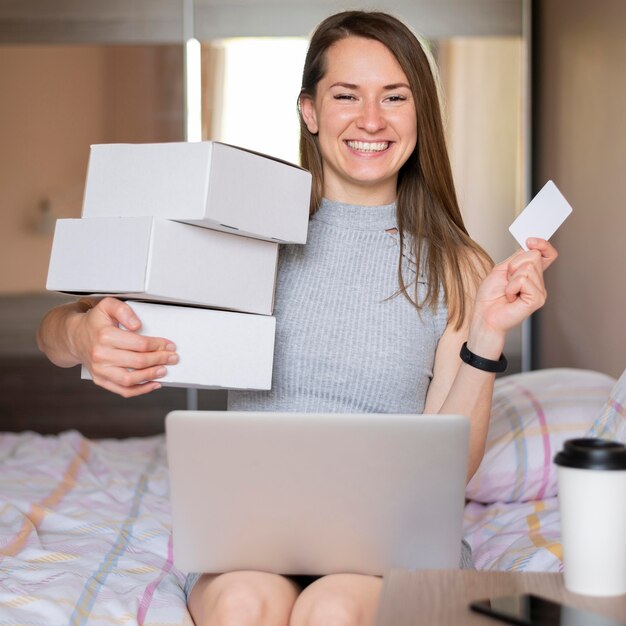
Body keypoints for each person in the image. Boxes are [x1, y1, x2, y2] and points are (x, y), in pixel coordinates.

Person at [37, 10, 557, 626]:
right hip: (255, 536)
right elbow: (56, 334)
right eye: (347, 96)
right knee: (241, 605)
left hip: (389, 544)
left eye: (395, 96)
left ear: (421, 113)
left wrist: (488, 334)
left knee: (332, 609)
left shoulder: (460, 265)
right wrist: (81, 332)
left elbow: (453, 462)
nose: (371, 120)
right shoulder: (249, 236)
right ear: (309, 111)